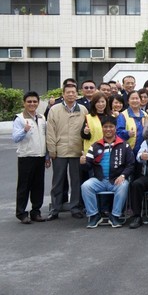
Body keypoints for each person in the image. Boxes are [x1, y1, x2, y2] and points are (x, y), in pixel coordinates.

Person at [80, 117, 135, 228]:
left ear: (115, 128)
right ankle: (94, 215)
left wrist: (123, 175)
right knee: (86, 186)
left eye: (111, 127)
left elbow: (131, 165)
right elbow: (88, 166)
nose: (108, 129)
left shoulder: (124, 145)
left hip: (116, 179)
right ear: (102, 128)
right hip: (99, 179)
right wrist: (83, 162)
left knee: (124, 185)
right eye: (105, 127)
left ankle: (115, 216)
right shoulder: (95, 146)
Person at [46, 83, 88, 220]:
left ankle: (75, 207)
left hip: (77, 150)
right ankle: (55, 208)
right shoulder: (55, 109)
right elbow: (50, 131)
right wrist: (52, 150)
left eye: (73, 92)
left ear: (77, 94)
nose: (71, 95)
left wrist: (85, 151)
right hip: (60, 150)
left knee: (76, 181)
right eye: (68, 92)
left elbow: (87, 131)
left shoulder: (83, 110)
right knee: (58, 181)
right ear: (63, 94)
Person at [12, 91, 51, 224]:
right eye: (29, 102)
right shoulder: (20, 118)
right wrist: (24, 130)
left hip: (40, 156)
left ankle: (36, 212)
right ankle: (21, 213)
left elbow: (45, 138)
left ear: (38, 103)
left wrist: (47, 156)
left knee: (38, 186)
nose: (32, 104)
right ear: (24, 103)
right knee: (24, 186)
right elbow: (15, 138)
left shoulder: (41, 118)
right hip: (26, 157)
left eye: (34, 101)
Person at [116, 90, 148, 157]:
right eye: (132, 98)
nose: (135, 100)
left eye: (137, 98)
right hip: (127, 151)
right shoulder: (123, 115)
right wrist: (127, 133)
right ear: (128, 101)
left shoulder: (145, 115)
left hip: (143, 150)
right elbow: (118, 132)